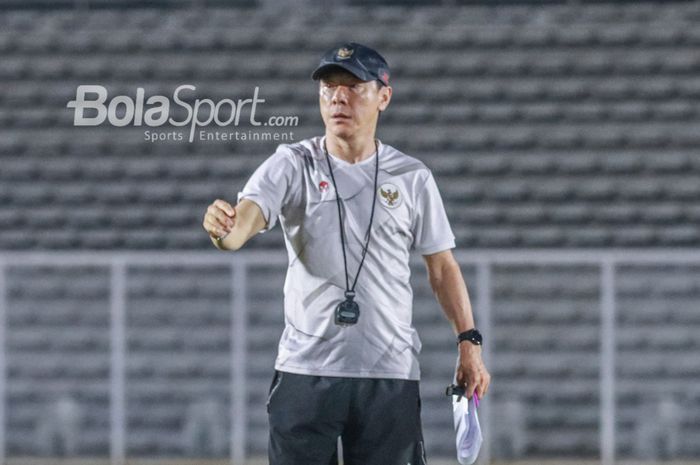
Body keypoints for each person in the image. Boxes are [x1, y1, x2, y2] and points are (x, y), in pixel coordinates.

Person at [202, 42, 490, 465]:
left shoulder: (412, 177)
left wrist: (469, 343)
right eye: (329, 88)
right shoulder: (293, 163)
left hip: (388, 375)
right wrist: (222, 230)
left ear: (384, 97)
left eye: (353, 87)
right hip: (306, 373)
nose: (338, 97)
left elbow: (442, 266)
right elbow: (242, 223)